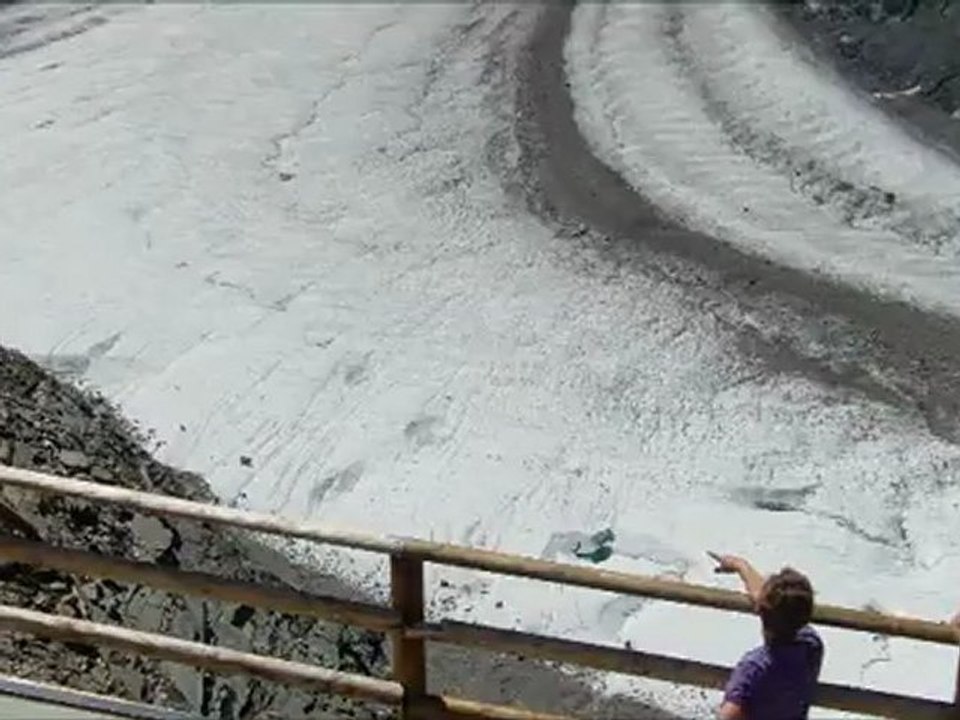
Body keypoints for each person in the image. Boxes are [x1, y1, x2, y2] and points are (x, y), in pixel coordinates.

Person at [708, 552, 824, 720]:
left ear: (759, 609)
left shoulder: (754, 667)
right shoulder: (811, 646)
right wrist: (741, 565)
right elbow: (780, 605)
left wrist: (741, 565)